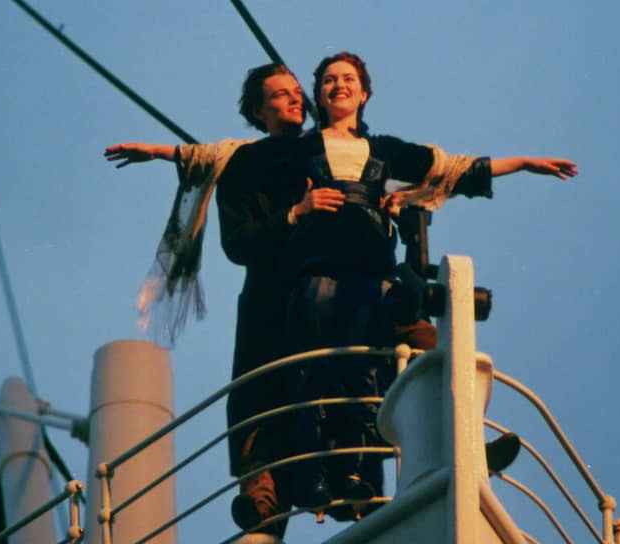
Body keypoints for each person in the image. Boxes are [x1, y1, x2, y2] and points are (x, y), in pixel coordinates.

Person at [217, 51, 576, 520]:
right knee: (310, 376)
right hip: (309, 278)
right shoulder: (288, 153)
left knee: (431, 350)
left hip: (371, 276)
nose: (333, 87)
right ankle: (296, 487)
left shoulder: (380, 148)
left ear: (364, 92)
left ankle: (463, 443)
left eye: (346, 79)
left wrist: (521, 163)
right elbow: (228, 166)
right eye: (326, 80)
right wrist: (174, 156)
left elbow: (448, 168)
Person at [106, 63, 309, 538]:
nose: (294, 98)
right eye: (280, 94)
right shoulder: (243, 163)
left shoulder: (332, 150)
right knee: (259, 390)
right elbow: (236, 236)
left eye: (298, 91)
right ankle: (262, 499)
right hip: (271, 294)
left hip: (329, 287)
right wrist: (293, 216)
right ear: (259, 111)